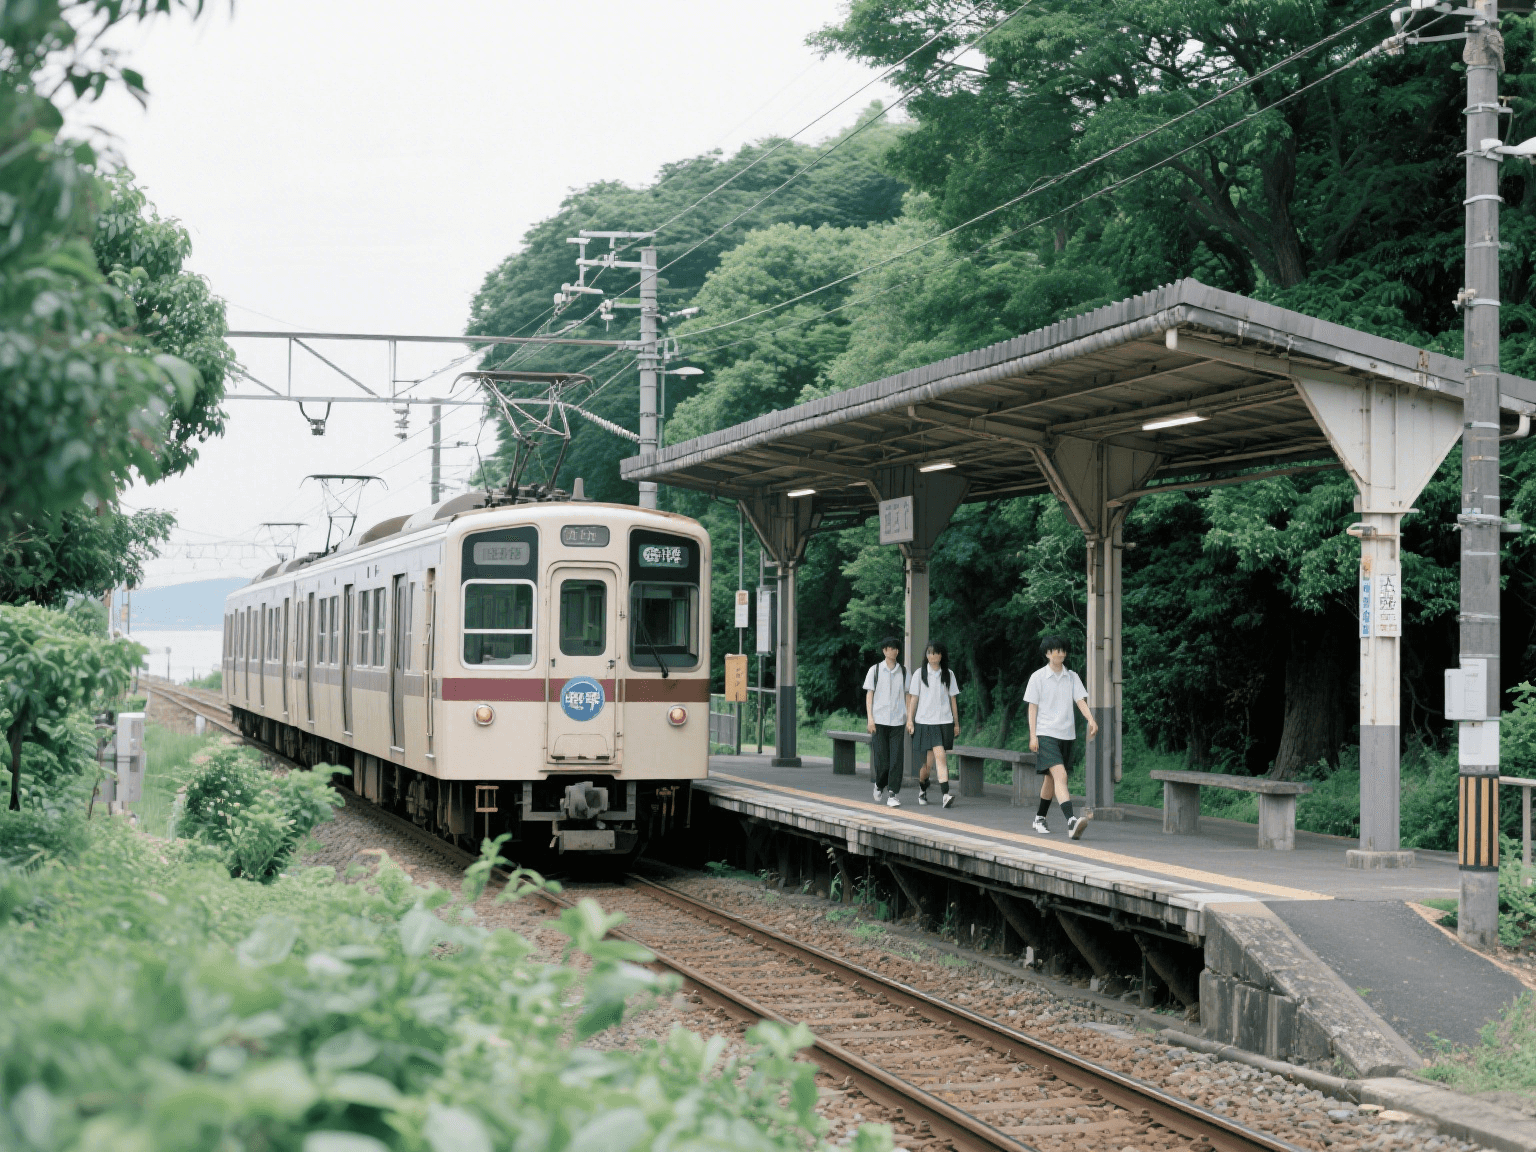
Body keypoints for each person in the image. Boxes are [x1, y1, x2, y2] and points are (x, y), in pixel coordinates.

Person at [1025, 634, 1098, 839]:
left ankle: (1039, 817)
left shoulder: (1072, 676)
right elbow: (1032, 708)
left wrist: (1091, 719)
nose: (1061, 653)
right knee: (1061, 776)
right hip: (1046, 733)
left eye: (1064, 650)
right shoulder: (1038, 677)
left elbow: (1080, 700)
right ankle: (1071, 821)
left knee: (1051, 778)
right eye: (1057, 650)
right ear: (1048, 653)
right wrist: (1033, 736)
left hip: (1066, 734)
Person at [905, 641, 960, 808]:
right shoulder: (919, 674)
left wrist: (956, 724)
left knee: (937, 758)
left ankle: (943, 795)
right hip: (925, 722)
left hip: (944, 721)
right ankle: (925, 789)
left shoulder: (948, 674)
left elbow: (953, 699)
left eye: (935, 653)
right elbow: (913, 699)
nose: (932, 656)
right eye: (929, 653)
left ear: (941, 655)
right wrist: (910, 720)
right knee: (930, 764)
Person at [863, 636, 906, 807]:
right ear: (884, 651)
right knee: (883, 761)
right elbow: (869, 695)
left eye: (896, 648)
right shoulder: (874, 670)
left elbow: (909, 695)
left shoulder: (903, 671)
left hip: (898, 721)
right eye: (889, 648)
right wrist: (870, 719)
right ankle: (880, 784)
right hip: (879, 721)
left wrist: (909, 718)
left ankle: (893, 794)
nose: (893, 651)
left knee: (896, 760)